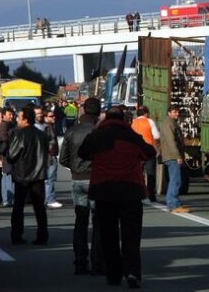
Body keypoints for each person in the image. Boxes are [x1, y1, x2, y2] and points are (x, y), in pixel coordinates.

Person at [78, 106, 156, 288]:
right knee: (131, 235)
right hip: (131, 190)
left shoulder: (96, 137)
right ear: (124, 119)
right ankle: (132, 272)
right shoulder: (132, 137)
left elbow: (82, 153)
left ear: (105, 119)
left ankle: (114, 274)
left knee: (109, 235)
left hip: (104, 191)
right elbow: (150, 153)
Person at [59, 98, 105, 276]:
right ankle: (97, 262)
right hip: (96, 178)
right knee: (98, 222)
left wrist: (76, 168)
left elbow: (63, 159)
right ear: (98, 111)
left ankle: (80, 262)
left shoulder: (72, 131)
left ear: (84, 110)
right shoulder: (99, 131)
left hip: (77, 178)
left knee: (80, 222)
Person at [7, 106, 49, 245]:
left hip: (22, 175)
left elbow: (11, 156)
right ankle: (42, 235)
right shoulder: (42, 135)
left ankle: (17, 235)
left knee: (18, 207)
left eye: (19, 117)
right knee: (39, 207)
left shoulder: (19, 134)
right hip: (39, 175)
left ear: (25, 119)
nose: (17, 120)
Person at [159, 105, 189, 213]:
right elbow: (171, 141)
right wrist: (177, 156)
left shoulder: (171, 123)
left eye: (177, 112)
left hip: (171, 155)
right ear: (169, 113)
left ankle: (175, 203)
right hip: (171, 155)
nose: (177, 114)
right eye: (174, 112)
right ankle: (173, 204)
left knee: (175, 180)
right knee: (175, 181)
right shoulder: (168, 123)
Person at [131, 106, 161, 202]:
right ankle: (151, 195)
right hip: (148, 151)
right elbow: (156, 136)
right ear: (146, 113)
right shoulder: (150, 121)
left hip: (136, 151)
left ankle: (139, 192)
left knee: (138, 173)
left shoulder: (133, 122)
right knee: (150, 173)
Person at [0, 107, 16, 207]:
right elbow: (4, 140)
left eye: (12, 114)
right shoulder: (4, 125)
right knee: (9, 176)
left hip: (5, 153)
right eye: (9, 114)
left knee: (5, 176)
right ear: (3, 115)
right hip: (7, 153)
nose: (11, 116)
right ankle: (9, 199)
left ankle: (6, 199)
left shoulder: (8, 125)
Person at [43, 109, 62, 209]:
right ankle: (50, 199)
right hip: (49, 156)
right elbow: (48, 141)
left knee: (49, 179)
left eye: (54, 116)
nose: (54, 117)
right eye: (51, 116)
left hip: (50, 155)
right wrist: (50, 149)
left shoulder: (51, 126)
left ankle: (48, 198)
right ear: (45, 117)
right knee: (49, 179)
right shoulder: (46, 127)